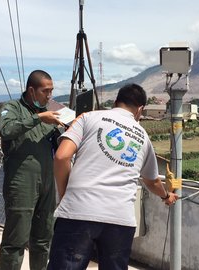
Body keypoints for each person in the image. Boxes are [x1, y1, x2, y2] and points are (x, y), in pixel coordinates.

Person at [48, 83, 178, 270]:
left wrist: (65, 195)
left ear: (116, 102)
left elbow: (61, 156)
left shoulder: (88, 118)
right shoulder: (143, 136)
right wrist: (166, 196)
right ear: (140, 109)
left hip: (78, 211)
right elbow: (152, 181)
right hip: (120, 218)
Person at [0, 70, 64, 270]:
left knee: (43, 238)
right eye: (45, 91)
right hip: (21, 184)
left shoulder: (49, 114)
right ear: (31, 90)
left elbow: (57, 146)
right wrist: (38, 118)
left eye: (51, 91)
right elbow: (6, 130)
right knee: (15, 240)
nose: (49, 96)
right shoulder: (12, 108)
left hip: (46, 183)